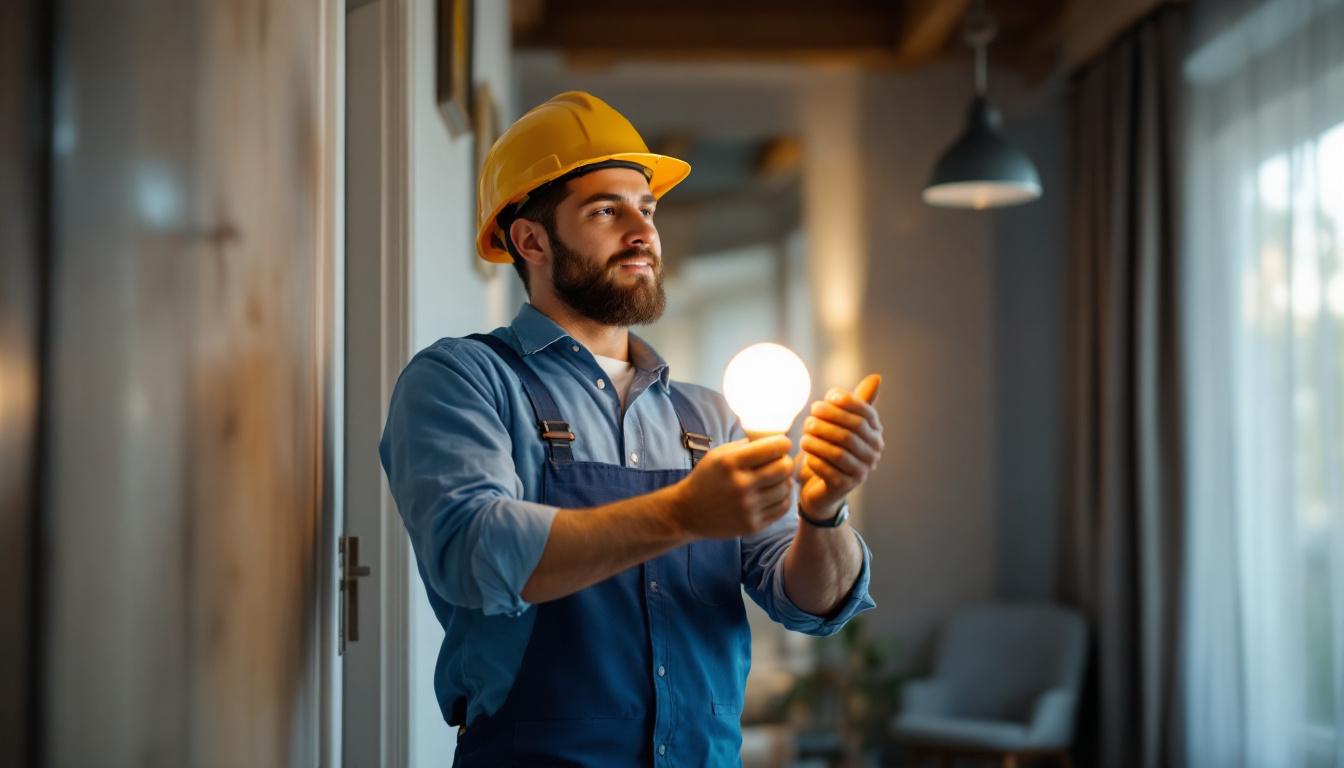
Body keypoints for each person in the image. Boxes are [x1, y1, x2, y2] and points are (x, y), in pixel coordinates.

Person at [380, 91, 884, 766]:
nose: (643, 231)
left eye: (646, 208)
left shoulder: (709, 418)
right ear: (531, 239)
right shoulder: (466, 379)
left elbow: (810, 605)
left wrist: (824, 513)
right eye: (606, 210)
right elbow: (475, 554)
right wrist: (683, 511)